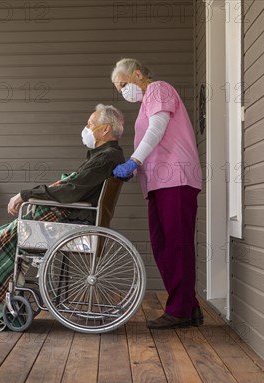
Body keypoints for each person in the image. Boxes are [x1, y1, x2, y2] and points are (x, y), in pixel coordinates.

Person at [0, 104, 126, 329]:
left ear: (105, 130)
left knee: (1, 238)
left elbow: (70, 191)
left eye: (90, 124)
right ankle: (1, 300)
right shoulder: (108, 156)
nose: (86, 128)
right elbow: (74, 187)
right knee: (0, 235)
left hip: (72, 223)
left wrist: (26, 195)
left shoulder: (105, 157)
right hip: (75, 218)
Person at [111, 58, 204, 329]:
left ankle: (179, 310)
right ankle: (190, 306)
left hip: (175, 177)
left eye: (123, 85)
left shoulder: (158, 89)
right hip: (159, 183)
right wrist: (136, 169)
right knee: (164, 245)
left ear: (137, 74)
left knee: (176, 244)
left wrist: (134, 161)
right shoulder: (146, 103)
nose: (122, 92)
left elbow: (157, 129)